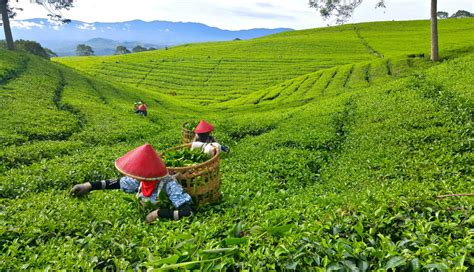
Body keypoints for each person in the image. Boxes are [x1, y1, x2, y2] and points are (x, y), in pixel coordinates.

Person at [69, 144, 193, 223]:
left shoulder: (169, 185)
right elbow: (117, 183)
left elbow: (187, 213)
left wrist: (159, 213)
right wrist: (88, 186)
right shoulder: (140, 181)